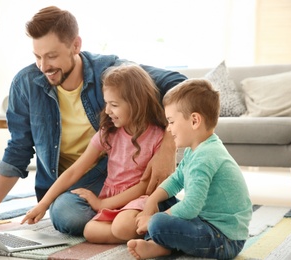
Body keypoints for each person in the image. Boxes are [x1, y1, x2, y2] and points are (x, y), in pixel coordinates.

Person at [0, 6, 187, 236]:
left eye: (52, 56)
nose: (43, 66)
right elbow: (17, 151)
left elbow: (181, 84)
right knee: (66, 215)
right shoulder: (25, 84)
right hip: (64, 182)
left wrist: (168, 145)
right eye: (37, 56)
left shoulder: (109, 72)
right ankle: (136, 214)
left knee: (76, 217)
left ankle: (148, 210)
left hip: (110, 173)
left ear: (75, 45)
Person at [21, 64, 176, 243]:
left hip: (139, 199)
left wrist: (102, 204)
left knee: (121, 225)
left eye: (114, 105)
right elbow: (74, 171)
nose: (108, 111)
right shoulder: (109, 132)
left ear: (136, 104)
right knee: (90, 231)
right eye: (106, 103)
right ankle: (147, 230)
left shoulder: (156, 136)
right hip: (111, 199)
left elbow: (144, 187)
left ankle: (149, 228)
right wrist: (43, 204)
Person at [127, 78, 253, 259]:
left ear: (194, 120)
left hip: (224, 239)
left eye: (171, 122)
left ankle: (161, 243)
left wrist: (153, 219)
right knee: (161, 202)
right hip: (204, 221)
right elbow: (178, 178)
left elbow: (191, 207)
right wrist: (152, 200)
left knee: (158, 223)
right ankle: (161, 243)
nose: (169, 130)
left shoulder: (206, 156)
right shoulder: (197, 149)